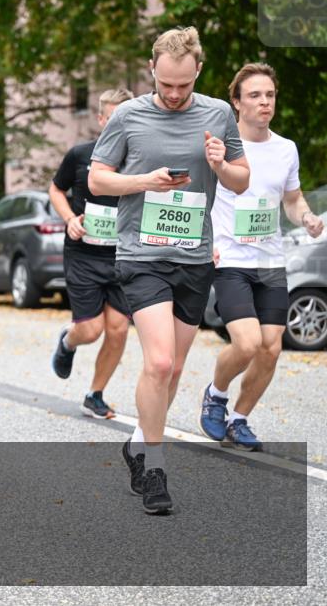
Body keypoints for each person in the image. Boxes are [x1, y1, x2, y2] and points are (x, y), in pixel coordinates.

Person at [89, 26, 249, 514]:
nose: (174, 94)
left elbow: (241, 182)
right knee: (159, 362)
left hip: (194, 258)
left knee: (175, 367)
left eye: (184, 84)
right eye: (165, 84)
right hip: (142, 256)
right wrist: (145, 182)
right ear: (151, 70)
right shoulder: (130, 116)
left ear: (198, 70)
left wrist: (221, 165)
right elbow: (97, 180)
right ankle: (154, 467)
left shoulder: (218, 114)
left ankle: (139, 442)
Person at [200, 63, 324, 451]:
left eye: (269, 95)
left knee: (271, 347)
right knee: (248, 343)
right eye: (254, 95)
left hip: (270, 260)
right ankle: (216, 394)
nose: (264, 102)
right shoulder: (220, 146)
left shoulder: (286, 149)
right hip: (230, 259)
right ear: (236, 102)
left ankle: (239, 419)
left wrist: (306, 217)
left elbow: (292, 199)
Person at [49, 88, 134, 417]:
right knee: (91, 330)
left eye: (125, 118)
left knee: (118, 329)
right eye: (113, 118)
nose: (119, 125)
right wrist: (70, 219)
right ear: (101, 119)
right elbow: (56, 189)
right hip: (84, 254)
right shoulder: (80, 155)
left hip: (122, 256)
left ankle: (95, 394)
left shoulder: (139, 161)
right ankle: (68, 341)